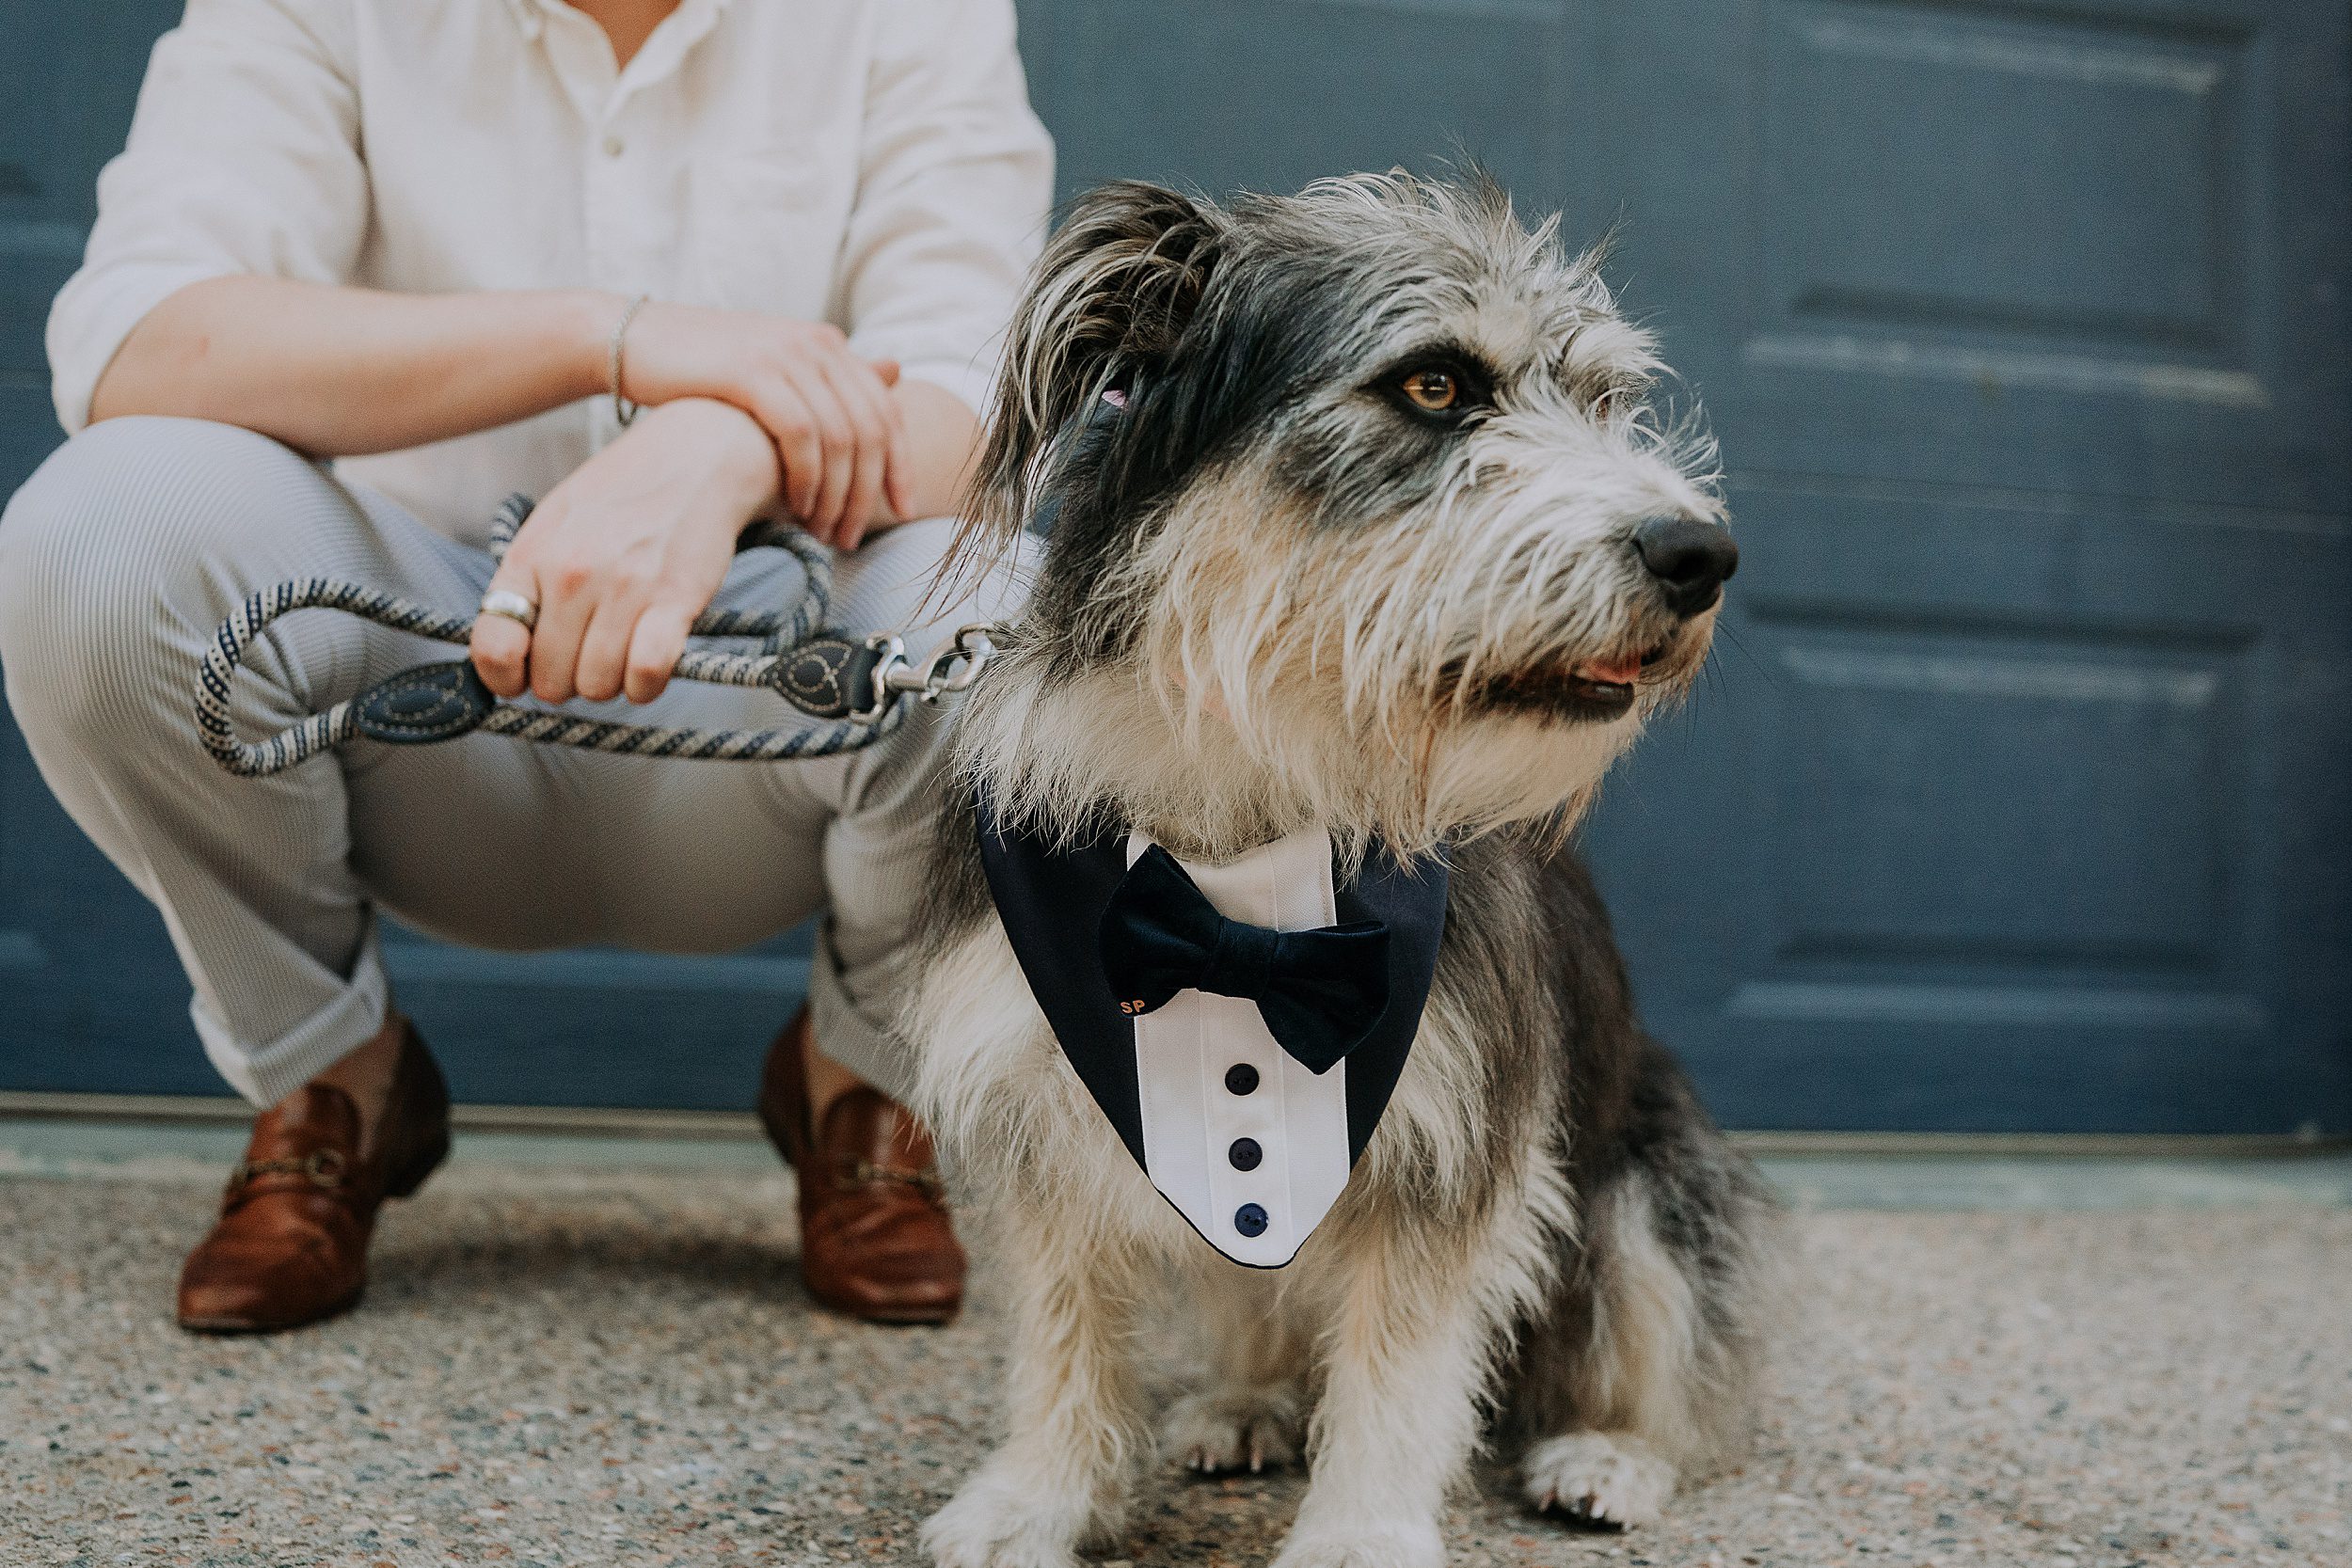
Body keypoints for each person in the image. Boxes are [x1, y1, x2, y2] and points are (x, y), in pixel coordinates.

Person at [0, 0, 1052, 1332]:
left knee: (999, 611)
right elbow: (145, 337)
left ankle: (865, 1083)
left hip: (767, 704)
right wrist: (614, 337)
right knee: (99, 535)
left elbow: (985, 412)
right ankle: (335, 1080)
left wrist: (725, 439)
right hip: (416, 695)